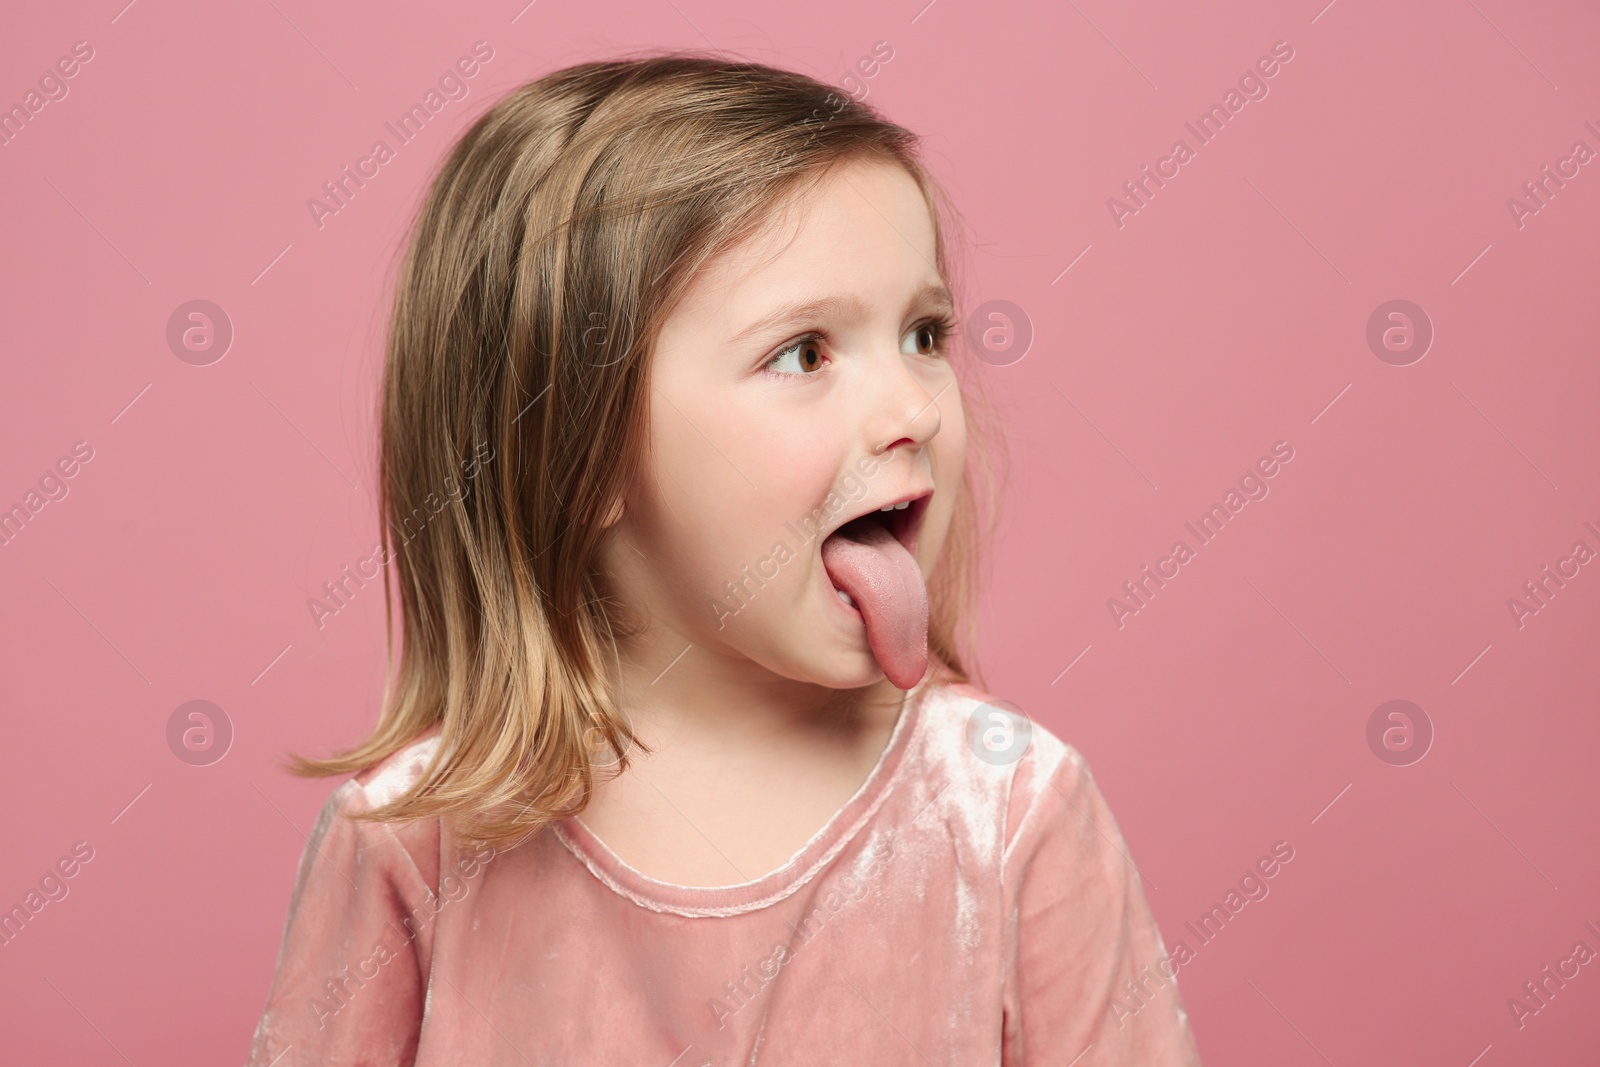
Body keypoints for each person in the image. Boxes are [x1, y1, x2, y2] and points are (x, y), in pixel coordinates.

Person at [246, 53, 1202, 1066]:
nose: (916, 408)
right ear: (580, 452)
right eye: (805, 352)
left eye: (924, 333)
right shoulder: (414, 841)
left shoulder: (1009, 811)